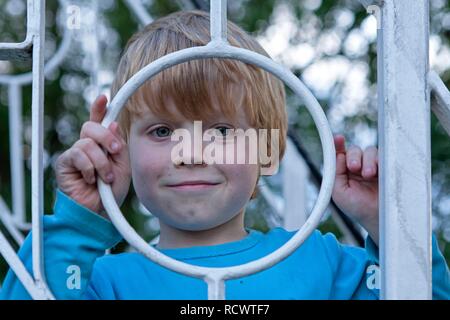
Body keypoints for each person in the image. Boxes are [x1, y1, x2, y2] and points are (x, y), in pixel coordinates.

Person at [1, 10, 449, 300]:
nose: (191, 153)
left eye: (219, 130)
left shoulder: (323, 263)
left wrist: (388, 224)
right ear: (120, 148)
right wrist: (79, 220)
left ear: (268, 150)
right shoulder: (104, 282)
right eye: (161, 131)